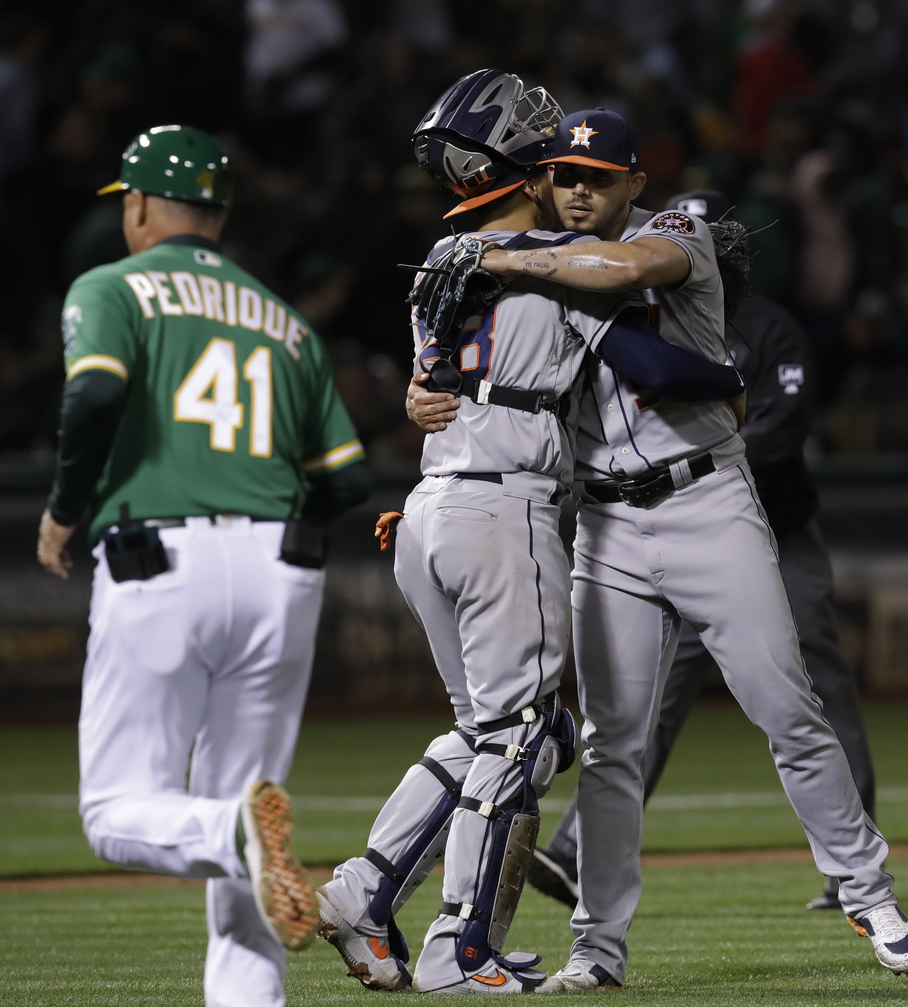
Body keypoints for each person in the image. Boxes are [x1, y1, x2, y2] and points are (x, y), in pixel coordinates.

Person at [413, 108, 908, 990]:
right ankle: (597, 949)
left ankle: (866, 888)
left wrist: (497, 256)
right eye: (565, 176)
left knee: (785, 704)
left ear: (634, 184)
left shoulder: (674, 230)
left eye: (599, 178)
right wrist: (426, 392)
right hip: (604, 525)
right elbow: (469, 369)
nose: (579, 191)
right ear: (544, 179)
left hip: (706, 501)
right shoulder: (537, 264)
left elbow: (625, 270)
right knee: (613, 747)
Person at [314, 71, 745, 996]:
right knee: (521, 735)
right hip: (502, 509)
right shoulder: (559, 255)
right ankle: (459, 950)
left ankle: (363, 892)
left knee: (495, 730)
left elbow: (437, 379)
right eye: (548, 154)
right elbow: (658, 366)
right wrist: (727, 362)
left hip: (432, 505)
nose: (563, 171)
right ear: (524, 163)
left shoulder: (441, 257)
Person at [36, 124, 370, 1007]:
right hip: (282, 569)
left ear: (142, 205)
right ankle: (242, 840)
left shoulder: (114, 285)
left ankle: (229, 829)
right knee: (251, 820)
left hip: (162, 559)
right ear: (218, 214)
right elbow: (347, 479)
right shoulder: (285, 321)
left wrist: (65, 509)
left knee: (117, 810)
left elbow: (95, 389)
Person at [526, 189, 878, 915]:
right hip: (643, 528)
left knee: (803, 688)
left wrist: (716, 438)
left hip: (771, 524)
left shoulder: (768, 327)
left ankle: (852, 872)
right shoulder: (628, 307)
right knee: (635, 713)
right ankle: (572, 854)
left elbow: (785, 422)